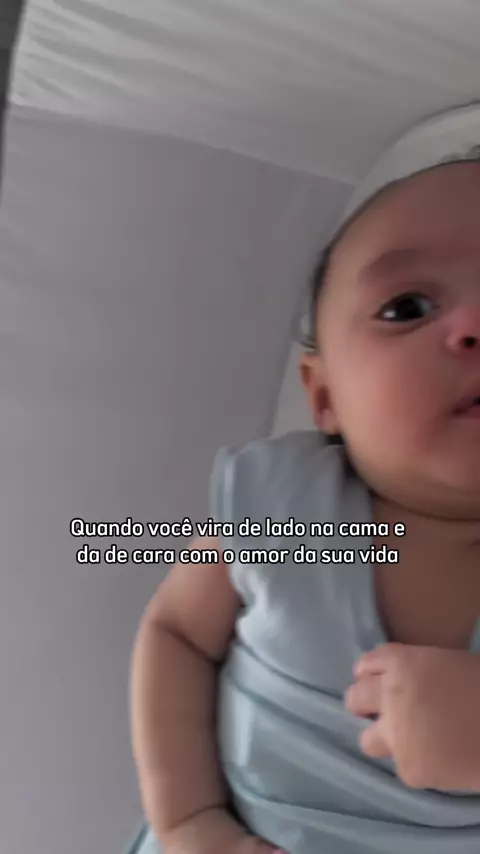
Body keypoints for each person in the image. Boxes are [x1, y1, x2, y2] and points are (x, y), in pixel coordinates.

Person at [129, 104, 480, 854]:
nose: (474, 326)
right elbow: (176, 636)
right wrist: (188, 820)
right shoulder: (285, 506)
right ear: (326, 400)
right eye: (408, 308)